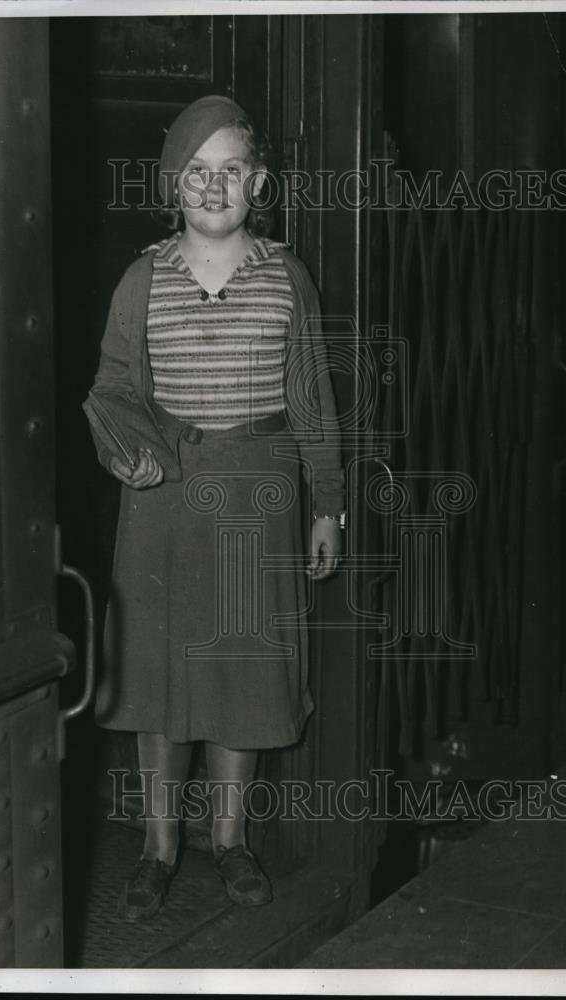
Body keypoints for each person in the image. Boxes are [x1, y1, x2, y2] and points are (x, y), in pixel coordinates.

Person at [84, 94, 345, 922]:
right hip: (162, 503)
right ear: (172, 186)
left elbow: (311, 398)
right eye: (196, 172)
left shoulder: (286, 275)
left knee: (241, 672)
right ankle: (158, 847)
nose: (212, 186)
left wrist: (326, 506)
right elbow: (112, 387)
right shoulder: (141, 278)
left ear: (256, 183)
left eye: (229, 171)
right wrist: (122, 445)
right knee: (158, 679)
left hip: (259, 499)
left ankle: (229, 840)